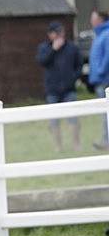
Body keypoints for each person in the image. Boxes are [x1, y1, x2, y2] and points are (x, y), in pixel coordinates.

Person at [36, 20, 83, 152]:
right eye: (55, 32)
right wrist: (53, 49)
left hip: (69, 89)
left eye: (60, 32)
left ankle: (76, 145)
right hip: (52, 90)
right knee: (54, 120)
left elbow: (79, 65)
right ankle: (58, 146)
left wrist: (73, 78)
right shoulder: (44, 48)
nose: (59, 35)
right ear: (50, 34)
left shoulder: (72, 47)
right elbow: (41, 61)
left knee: (73, 117)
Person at [88, 11, 109, 150]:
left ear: (100, 20)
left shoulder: (106, 34)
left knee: (106, 111)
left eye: (93, 18)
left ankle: (106, 140)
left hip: (105, 79)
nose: (91, 21)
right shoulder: (99, 34)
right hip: (100, 79)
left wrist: (100, 71)